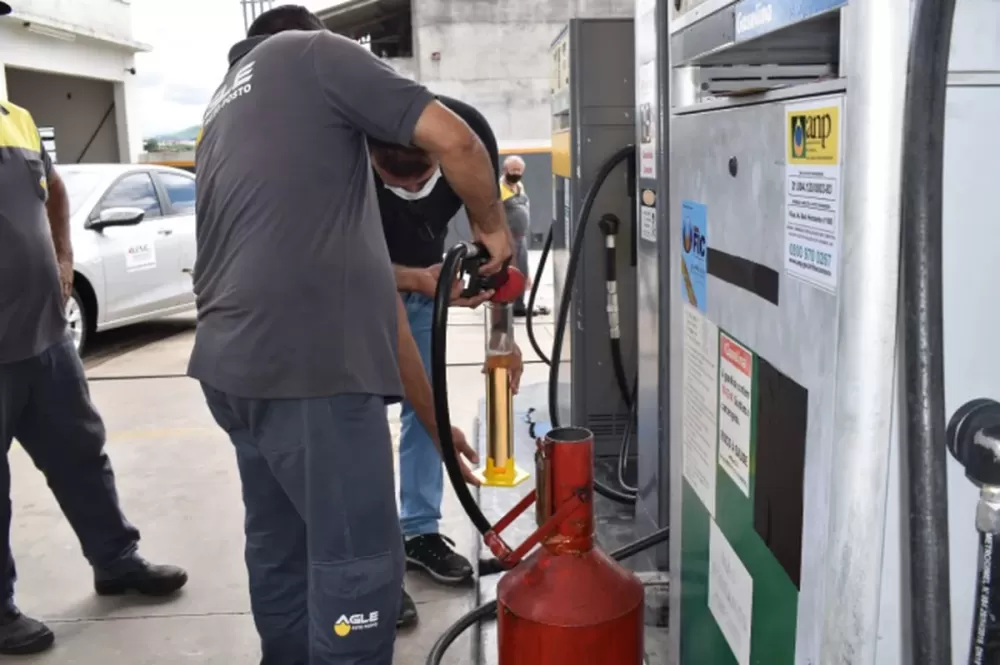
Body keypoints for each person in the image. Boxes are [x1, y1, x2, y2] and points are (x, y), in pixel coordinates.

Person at [190, 6, 511, 665]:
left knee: (282, 550)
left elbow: (379, 308)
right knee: (359, 573)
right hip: (310, 371)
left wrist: (436, 420)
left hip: (233, 371)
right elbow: (461, 144)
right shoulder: (314, 54)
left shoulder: (226, 111)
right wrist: (495, 231)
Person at [0, 4, 189, 656]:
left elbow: (52, 189)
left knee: (83, 455)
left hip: (46, 339)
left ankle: (117, 561)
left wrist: (63, 257)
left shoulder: (16, 117)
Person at [368, 95, 525, 627]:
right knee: (359, 414)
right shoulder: (338, 147)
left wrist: (502, 336)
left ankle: (419, 531)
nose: (412, 193)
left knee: (425, 409)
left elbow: (496, 238)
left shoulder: (467, 135)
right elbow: (334, 262)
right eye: (395, 181)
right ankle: (372, 562)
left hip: (422, 291)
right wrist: (415, 278)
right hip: (355, 295)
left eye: (424, 179)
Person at [500, 156, 537, 317]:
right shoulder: (499, 189)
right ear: (504, 170)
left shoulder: (519, 186)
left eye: (519, 170)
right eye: (513, 170)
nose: (516, 173)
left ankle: (519, 305)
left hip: (521, 238)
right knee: (508, 272)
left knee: (522, 271)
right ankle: (504, 305)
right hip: (507, 239)